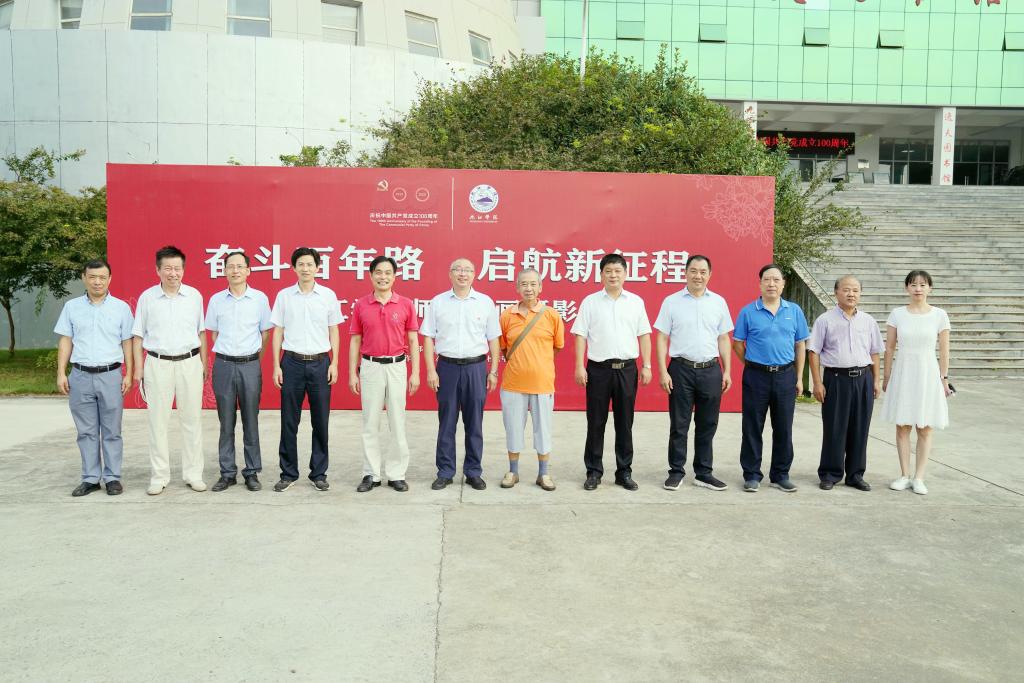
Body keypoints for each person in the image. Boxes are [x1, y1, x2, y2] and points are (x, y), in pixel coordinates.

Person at [572, 253, 653, 491]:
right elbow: (580, 335)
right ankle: (594, 472)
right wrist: (579, 365)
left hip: (627, 369)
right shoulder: (590, 302)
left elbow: (644, 335)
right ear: (601, 275)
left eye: (617, 271)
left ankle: (624, 472)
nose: (613, 275)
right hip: (598, 370)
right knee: (596, 422)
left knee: (624, 423)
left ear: (626, 274)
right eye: (608, 271)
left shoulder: (635, 302)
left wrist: (647, 365)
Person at [653, 254, 733, 492]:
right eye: (694, 271)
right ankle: (676, 472)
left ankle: (704, 473)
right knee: (679, 424)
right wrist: (662, 371)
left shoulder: (718, 302)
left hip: (711, 369)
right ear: (686, 273)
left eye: (703, 272)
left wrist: (727, 370)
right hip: (681, 370)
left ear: (710, 275)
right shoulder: (671, 302)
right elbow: (662, 337)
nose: (698, 276)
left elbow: (723, 338)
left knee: (708, 424)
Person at [132, 245, 208, 495]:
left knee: (192, 421)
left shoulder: (194, 296)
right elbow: (137, 336)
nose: (173, 273)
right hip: (157, 363)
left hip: (189, 362)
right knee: (158, 422)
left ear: (183, 270)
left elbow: (201, 332)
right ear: (158, 270)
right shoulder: (147, 298)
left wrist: (204, 364)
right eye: (167, 268)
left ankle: (193, 474)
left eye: (177, 268)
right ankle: (159, 476)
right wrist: (139, 369)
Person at [55, 259, 134, 497]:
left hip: (110, 375)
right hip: (80, 375)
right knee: (86, 431)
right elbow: (66, 340)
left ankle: (112, 477)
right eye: (92, 277)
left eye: (102, 277)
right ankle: (90, 478)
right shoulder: (71, 307)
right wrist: (61, 372)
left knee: (112, 430)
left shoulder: (121, 308)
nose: (97, 282)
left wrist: (129, 373)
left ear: (110, 279)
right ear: (84, 278)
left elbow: (127, 342)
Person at [421, 258, 501, 491]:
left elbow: (493, 339)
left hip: (476, 368)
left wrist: (493, 371)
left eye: (467, 270)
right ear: (450, 274)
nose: (462, 274)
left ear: (474, 274)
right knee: (446, 422)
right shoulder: (438, 302)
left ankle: (473, 472)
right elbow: (428, 337)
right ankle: (445, 472)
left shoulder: (485, 302)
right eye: (458, 269)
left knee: (474, 423)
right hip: (446, 368)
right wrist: (431, 370)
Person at [732, 264, 809, 493]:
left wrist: (799, 377)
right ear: (760, 283)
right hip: (756, 376)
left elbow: (800, 345)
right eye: (767, 279)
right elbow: (738, 344)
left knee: (783, 427)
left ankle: (780, 475)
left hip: (786, 375)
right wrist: (751, 364)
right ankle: (752, 474)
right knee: (752, 427)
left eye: (776, 279)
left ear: (783, 284)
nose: (771, 284)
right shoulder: (748, 312)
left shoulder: (794, 311)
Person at [270, 247, 342, 493]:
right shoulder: (284, 296)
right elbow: (278, 331)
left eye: (310, 264)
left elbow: (334, 330)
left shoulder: (328, 296)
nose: (305, 268)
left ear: (318, 267)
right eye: (300, 264)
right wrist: (276, 365)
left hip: (320, 363)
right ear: (293, 268)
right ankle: (288, 473)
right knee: (289, 421)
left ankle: (318, 473)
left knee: (320, 421)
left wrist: (334, 362)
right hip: (291, 363)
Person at [348, 255, 420, 493]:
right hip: (370, 367)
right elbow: (355, 340)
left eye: (388, 273)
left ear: (394, 276)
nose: (383, 277)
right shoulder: (361, 305)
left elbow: (413, 339)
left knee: (397, 421)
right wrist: (352, 373)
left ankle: (397, 474)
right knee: (370, 422)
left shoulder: (405, 304)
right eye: (378, 272)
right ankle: (371, 474)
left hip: (397, 366)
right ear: (371, 276)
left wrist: (415, 373)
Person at [807, 275, 883, 491]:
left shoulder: (868, 321)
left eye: (856, 290)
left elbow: (875, 352)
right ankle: (830, 474)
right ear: (836, 292)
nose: (851, 294)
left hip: (863, 379)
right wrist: (817, 383)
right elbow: (814, 352)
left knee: (860, 428)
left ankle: (855, 475)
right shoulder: (825, 320)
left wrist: (876, 380)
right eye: (846, 290)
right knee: (835, 427)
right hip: (836, 379)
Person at [205, 251, 273, 492]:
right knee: (226, 422)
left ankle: (252, 472)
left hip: (250, 365)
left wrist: (254, 360)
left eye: (240, 266)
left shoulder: (259, 299)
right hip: (223, 365)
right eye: (230, 266)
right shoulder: (216, 300)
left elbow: (265, 333)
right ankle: (227, 473)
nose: (235, 270)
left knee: (250, 420)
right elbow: (212, 333)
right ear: (224, 271)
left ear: (248, 270)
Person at [881, 270, 953, 496]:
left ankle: (919, 477)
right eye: (913, 284)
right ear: (907, 288)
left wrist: (944, 379)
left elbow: (944, 350)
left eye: (922, 284)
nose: (918, 288)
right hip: (903, 372)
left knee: (925, 427)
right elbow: (890, 348)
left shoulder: (939, 315)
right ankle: (904, 475)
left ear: (930, 288)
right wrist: (887, 377)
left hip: (928, 373)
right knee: (902, 426)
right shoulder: (897, 314)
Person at [498, 268, 565, 491]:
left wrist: (538, 363)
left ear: (540, 287)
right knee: (513, 429)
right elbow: (503, 347)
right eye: (524, 284)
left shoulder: (551, 315)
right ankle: (513, 471)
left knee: (543, 430)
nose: (529, 288)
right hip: (513, 383)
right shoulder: (507, 316)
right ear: (517, 287)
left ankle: (543, 474)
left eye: (533, 284)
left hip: (542, 383)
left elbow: (557, 346)